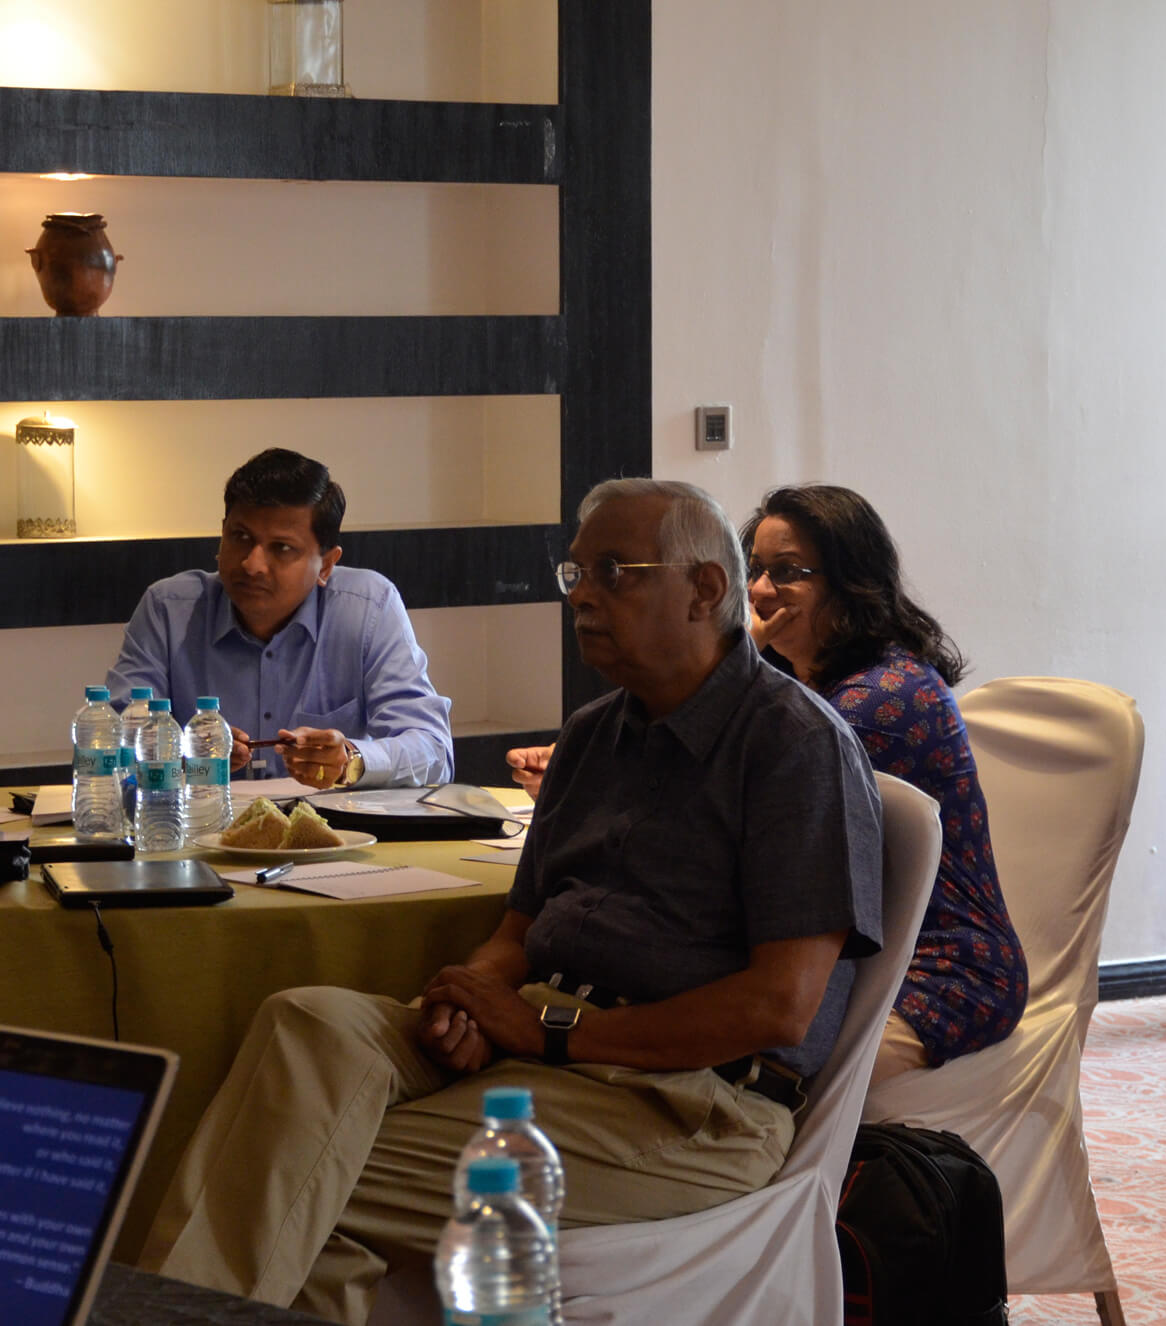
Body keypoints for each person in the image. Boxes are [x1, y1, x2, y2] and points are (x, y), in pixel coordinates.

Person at [139, 478, 883, 1326]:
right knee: (305, 1021)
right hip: (547, 1047)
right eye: (576, 574)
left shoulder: (794, 744)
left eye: (613, 572)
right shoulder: (595, 735)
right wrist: (468, 998)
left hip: (689, 1103)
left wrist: (549, 1032)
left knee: (296, 1165)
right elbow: (519, 932)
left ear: (705, 588)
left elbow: (779, 1006)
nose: (583, 597)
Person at [741, 483, 1026, 1082]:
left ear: (851, 584)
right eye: (757, 569)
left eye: (787, 572)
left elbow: (737, 800)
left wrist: (733, 657)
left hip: (944, 971)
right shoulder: (806, 681)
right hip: (856, 956)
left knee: (749, 1074)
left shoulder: (880, 701)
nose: (760, 591)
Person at [105, 448, 453, 790]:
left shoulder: (368, 608)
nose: (252, 565)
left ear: (326, 565)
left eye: (282, 548)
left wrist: (350, 760)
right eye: (241, 537)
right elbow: (112, 741)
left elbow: (433, 750)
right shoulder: (168, 610)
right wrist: (184, 753)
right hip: (203, 820)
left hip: (330, 825)